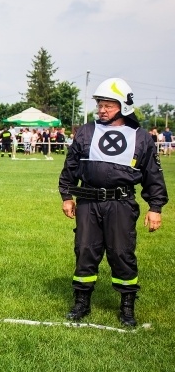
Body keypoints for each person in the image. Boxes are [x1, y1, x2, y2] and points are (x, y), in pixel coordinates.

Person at [59, 78, 168, 327]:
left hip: (121, 203)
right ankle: (81, 302)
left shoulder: (140, 137)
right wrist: (67, 196)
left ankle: (127, 306)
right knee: (85, 250)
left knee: (121, 252)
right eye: (100, 105)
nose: (102, 110)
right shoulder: (86, 131)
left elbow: (153, 175)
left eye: (108, 105)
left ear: (123, 106)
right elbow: (71, 166)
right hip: (88, 202)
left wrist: (155, 208)